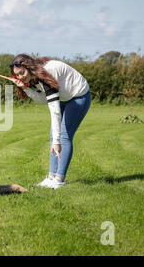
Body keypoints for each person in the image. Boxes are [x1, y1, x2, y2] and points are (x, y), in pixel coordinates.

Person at [9, 54, 91, 189]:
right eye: (17, 75)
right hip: (65, 98)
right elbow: (45, 100)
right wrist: (25, 89)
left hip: (79, 97)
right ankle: (51, 177)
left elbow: (54, 111)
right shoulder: (36, 76)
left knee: (63, 136)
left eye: (22, 72)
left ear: (29, 66)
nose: (20, 77)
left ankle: (59, 180)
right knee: (54, 135)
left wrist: (57, 142)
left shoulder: (47, 74)